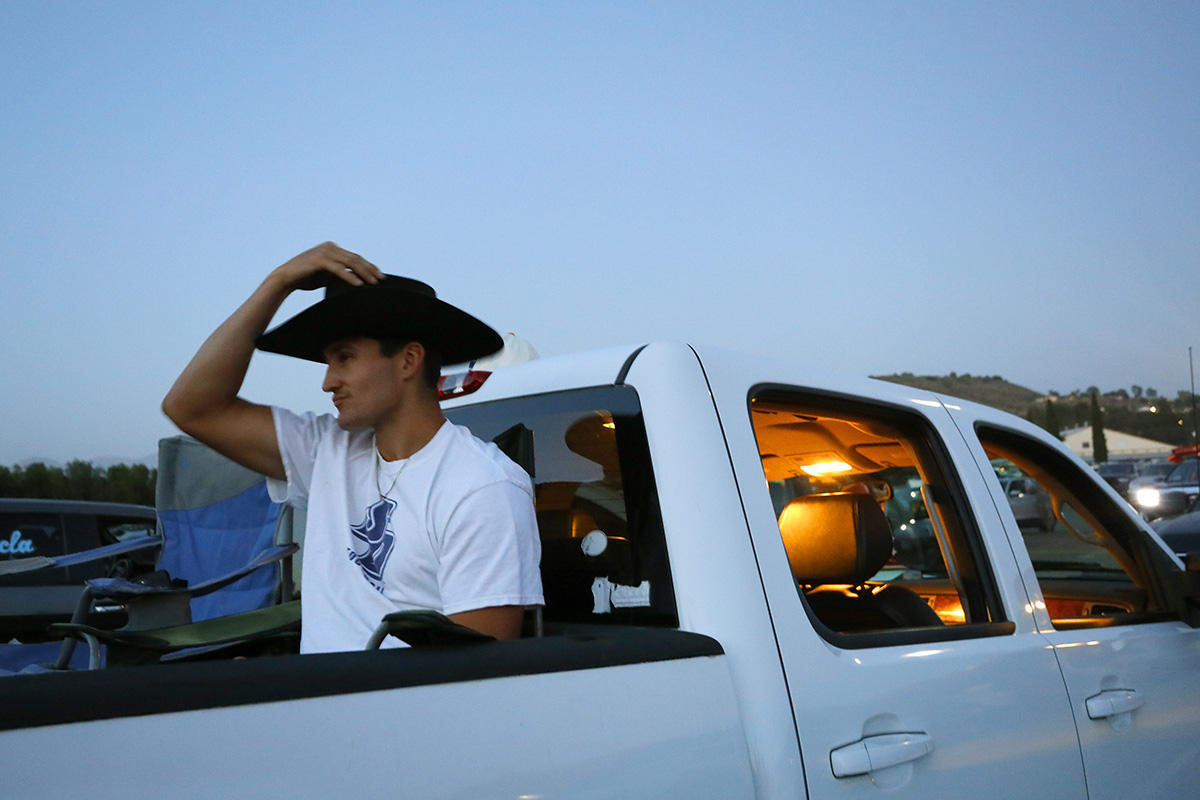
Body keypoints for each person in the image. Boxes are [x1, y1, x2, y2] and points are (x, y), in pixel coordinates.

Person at [162, 242, 543, 653]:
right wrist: (277, 284)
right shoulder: (327, 450)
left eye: (344, 358)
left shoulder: (483, 487)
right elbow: (190, 407)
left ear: (408, 361)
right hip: (319, 707)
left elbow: (482, 674)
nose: (327, 382)